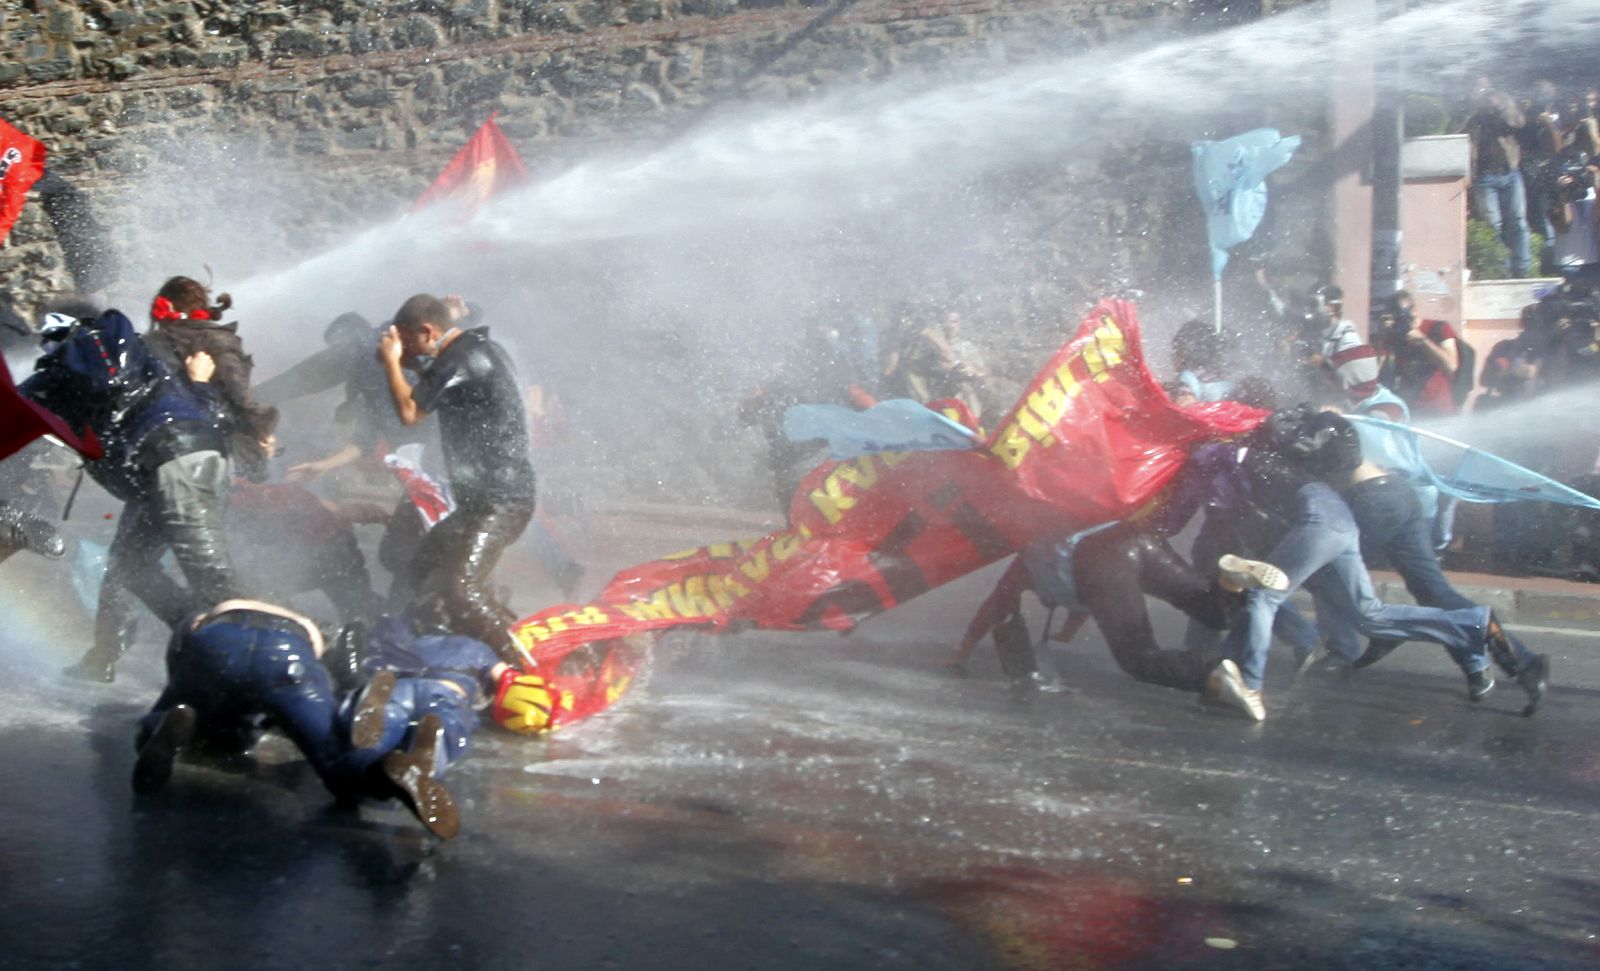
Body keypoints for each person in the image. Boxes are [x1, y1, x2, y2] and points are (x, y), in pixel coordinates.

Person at [1211, 407, 1550, 722]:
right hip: (1399, 496)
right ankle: (1516, 661)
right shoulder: (1317, 419)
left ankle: (1348, 647)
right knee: (1431, 589)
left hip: (1369, 500)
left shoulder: (1303, 424)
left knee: (1322, 577)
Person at [21, 307, 245, 682]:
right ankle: (186, 637)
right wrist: (201, 384)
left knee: (211, 577)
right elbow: (212, 421)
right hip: (180, 463)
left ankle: (319, 643)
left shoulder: (64, 371)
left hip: (170, 463)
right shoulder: (144, 363)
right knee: (128, 566)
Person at [132, 599, 460, 838]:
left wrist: (187, 694)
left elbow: (183, 644)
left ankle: (164, 725)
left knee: (176, 707)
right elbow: (338, 680)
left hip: (218, 641)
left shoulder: (216, 608)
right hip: (289, 657)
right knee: (336, 762)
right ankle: (384, 770)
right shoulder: (310, 627)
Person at [376, 294, 537, 666]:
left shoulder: (462, 357)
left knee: (461, 588)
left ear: (427, 331)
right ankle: (475, 640)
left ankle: (522, 667)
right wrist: (401, 358)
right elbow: (428, 382)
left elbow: (411, 411)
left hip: (502, 500)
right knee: (422, 568)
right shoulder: (470, 351)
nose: (407, 354)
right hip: (479, 502)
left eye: (408, 341)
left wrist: (389, 362)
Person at [950, 521, 1287, 697]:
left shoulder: (1024, 565)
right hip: (1136, 538)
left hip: (1104, 563)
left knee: (1137, 658)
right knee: (1213, 611)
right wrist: (1065, 633)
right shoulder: (1056, 542)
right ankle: (1231, 581)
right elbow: (1085, 600)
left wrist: (961, 654)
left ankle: (1211, 673)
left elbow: (992, 610)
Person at [144, 276, 279, 482]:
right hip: (212, 448)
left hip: (156, 451)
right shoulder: (218, 340)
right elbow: (238, 395)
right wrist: (262, 431)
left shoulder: (146, 344)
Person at [1463, 79, 1534, 279]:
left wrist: (1500, 105)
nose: (1483, 91)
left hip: (1509, 172)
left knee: (1518, 221)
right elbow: (1459, 130)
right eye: (1479, 87)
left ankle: (1522, 268)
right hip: (1484, 177)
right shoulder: (1471, 110)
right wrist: (1474, 106)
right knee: (1493, 225)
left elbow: (1518, 123)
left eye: (1485, 86)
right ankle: (1503, 269)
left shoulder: (1502, 101)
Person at [1372, 292, 1461, 418]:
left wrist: (1422, 340)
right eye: (1398, 318)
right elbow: (1375, 371)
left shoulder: (1439, 328)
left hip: (1439, 409)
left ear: (1415, 310)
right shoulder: (1393, 334)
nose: (1403, 322)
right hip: (1409, 408)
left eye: (1405, 316)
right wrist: (1382, 336)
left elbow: (1451, 365)